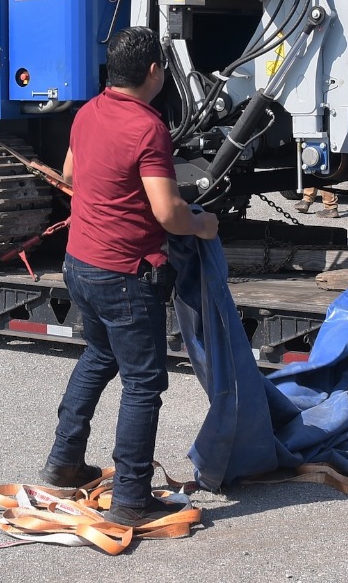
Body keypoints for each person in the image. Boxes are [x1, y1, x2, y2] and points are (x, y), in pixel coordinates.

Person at [41, 26, 219, 526]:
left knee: (99, 355)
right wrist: (203, 225)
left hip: (80, 263)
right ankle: (131, 498)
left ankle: (64, 462)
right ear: (155, 72)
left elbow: (72, 177)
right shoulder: (148, 127)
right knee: (143, 382)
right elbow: (169, 214)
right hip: (124, 274)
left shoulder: (87, 113)